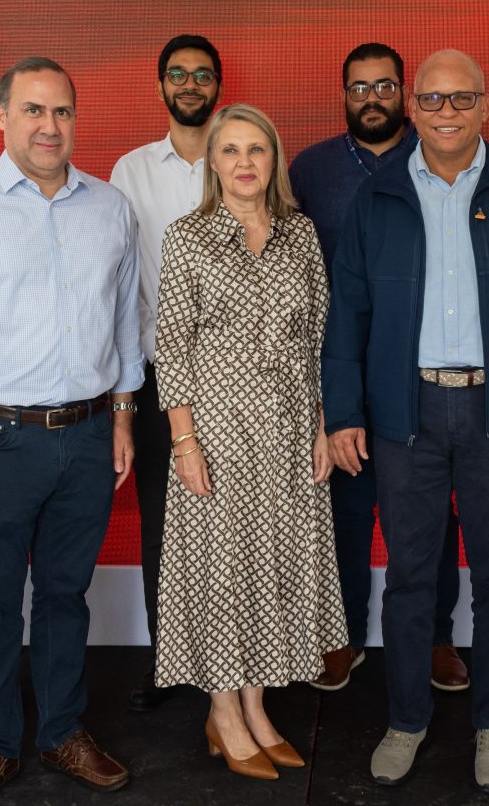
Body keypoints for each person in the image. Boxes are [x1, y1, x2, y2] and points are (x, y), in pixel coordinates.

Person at [324, 49, 489, 794]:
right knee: (408, 578)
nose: (444, 113)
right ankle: (406, 718)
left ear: (485, 106)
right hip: (407, 414)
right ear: (413, 106)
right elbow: (349, 319)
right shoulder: (378, 200)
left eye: (460, 99)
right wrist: (343, 413)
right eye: (430, 100)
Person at [0, 57, 140, 806]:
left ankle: (62, 733)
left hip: (89, 433)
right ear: (0, 117)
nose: (50, 126)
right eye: (34, 111)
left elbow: (126, 321)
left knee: (68, 595)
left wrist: (125, 417)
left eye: (63, 112)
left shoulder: (108, 207)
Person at [153, 103, 347, 783]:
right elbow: (171, 348)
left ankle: (257, 710)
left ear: (274, 160)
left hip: (292, 432)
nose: (243, 162)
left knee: (277, 571)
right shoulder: (189, 238)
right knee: (223, 573)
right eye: (230, 150)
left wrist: (323, 427)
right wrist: (184, 443)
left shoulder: (300, 235)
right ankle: (224, 713)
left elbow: (321, 340)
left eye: (256, 149)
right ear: (213, 164)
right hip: (217, 435)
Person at [289, 41, 468, 696]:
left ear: (406, 95)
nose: (372, 98)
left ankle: (435, 638)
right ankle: (341, 635)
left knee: (428, 515)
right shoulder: (309, 171)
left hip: (424, 367)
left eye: (385, 86)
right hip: (337, 365)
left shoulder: (442, 163)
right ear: (344, 95)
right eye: (359, 87)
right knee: (342, 507)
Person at [108, 33, 221, 712]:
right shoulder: (132, 170)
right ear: (160, 88)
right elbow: (123, 289)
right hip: (159, 380)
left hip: (236, 381)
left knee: (232, 522)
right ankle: (168, 660)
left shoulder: (243, 157)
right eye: (176, 74)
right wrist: (124, 401)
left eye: (201, 75)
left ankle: (236, 661)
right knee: (164, 527)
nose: (189, 84)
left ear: (217, 86)